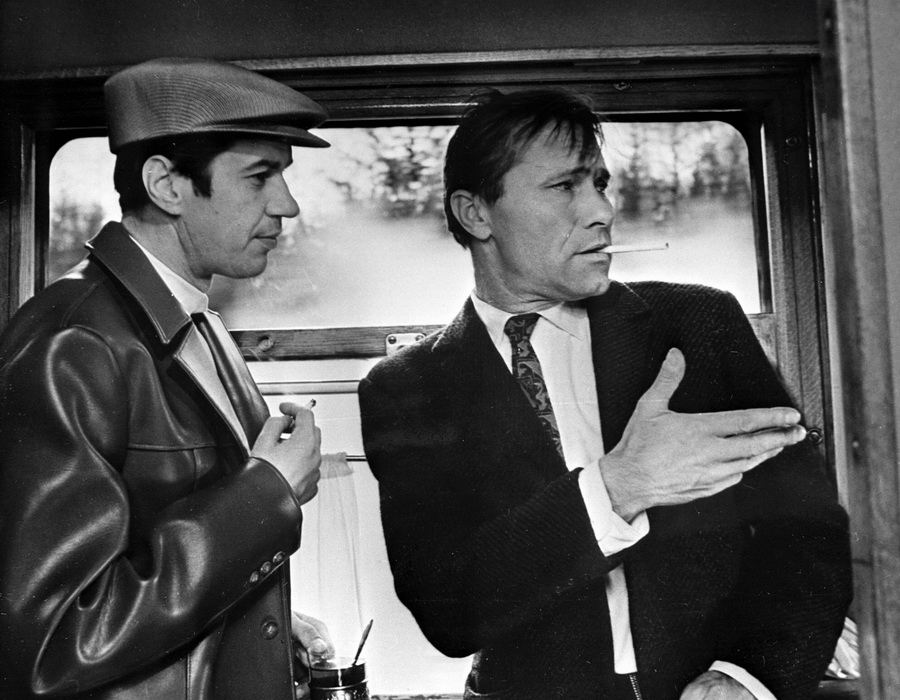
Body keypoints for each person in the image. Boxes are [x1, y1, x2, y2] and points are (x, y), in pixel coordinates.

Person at [358, 89, 853, 700]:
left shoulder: (700, 325)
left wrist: (749, 677)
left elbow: (808, 532)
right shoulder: (407, 388)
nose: (602, 210)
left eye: (599, 183)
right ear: (476, 214)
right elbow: (448, 610)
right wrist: (619, 486)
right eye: (565, 186)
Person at [0, 57, 335, 699]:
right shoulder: (73, 342)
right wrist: (268, 493)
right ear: (166, 185)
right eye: (260, 177)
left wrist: (257, 631)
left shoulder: (197, 321)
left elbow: (148, 560)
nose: (287, 205)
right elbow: (52, 643)